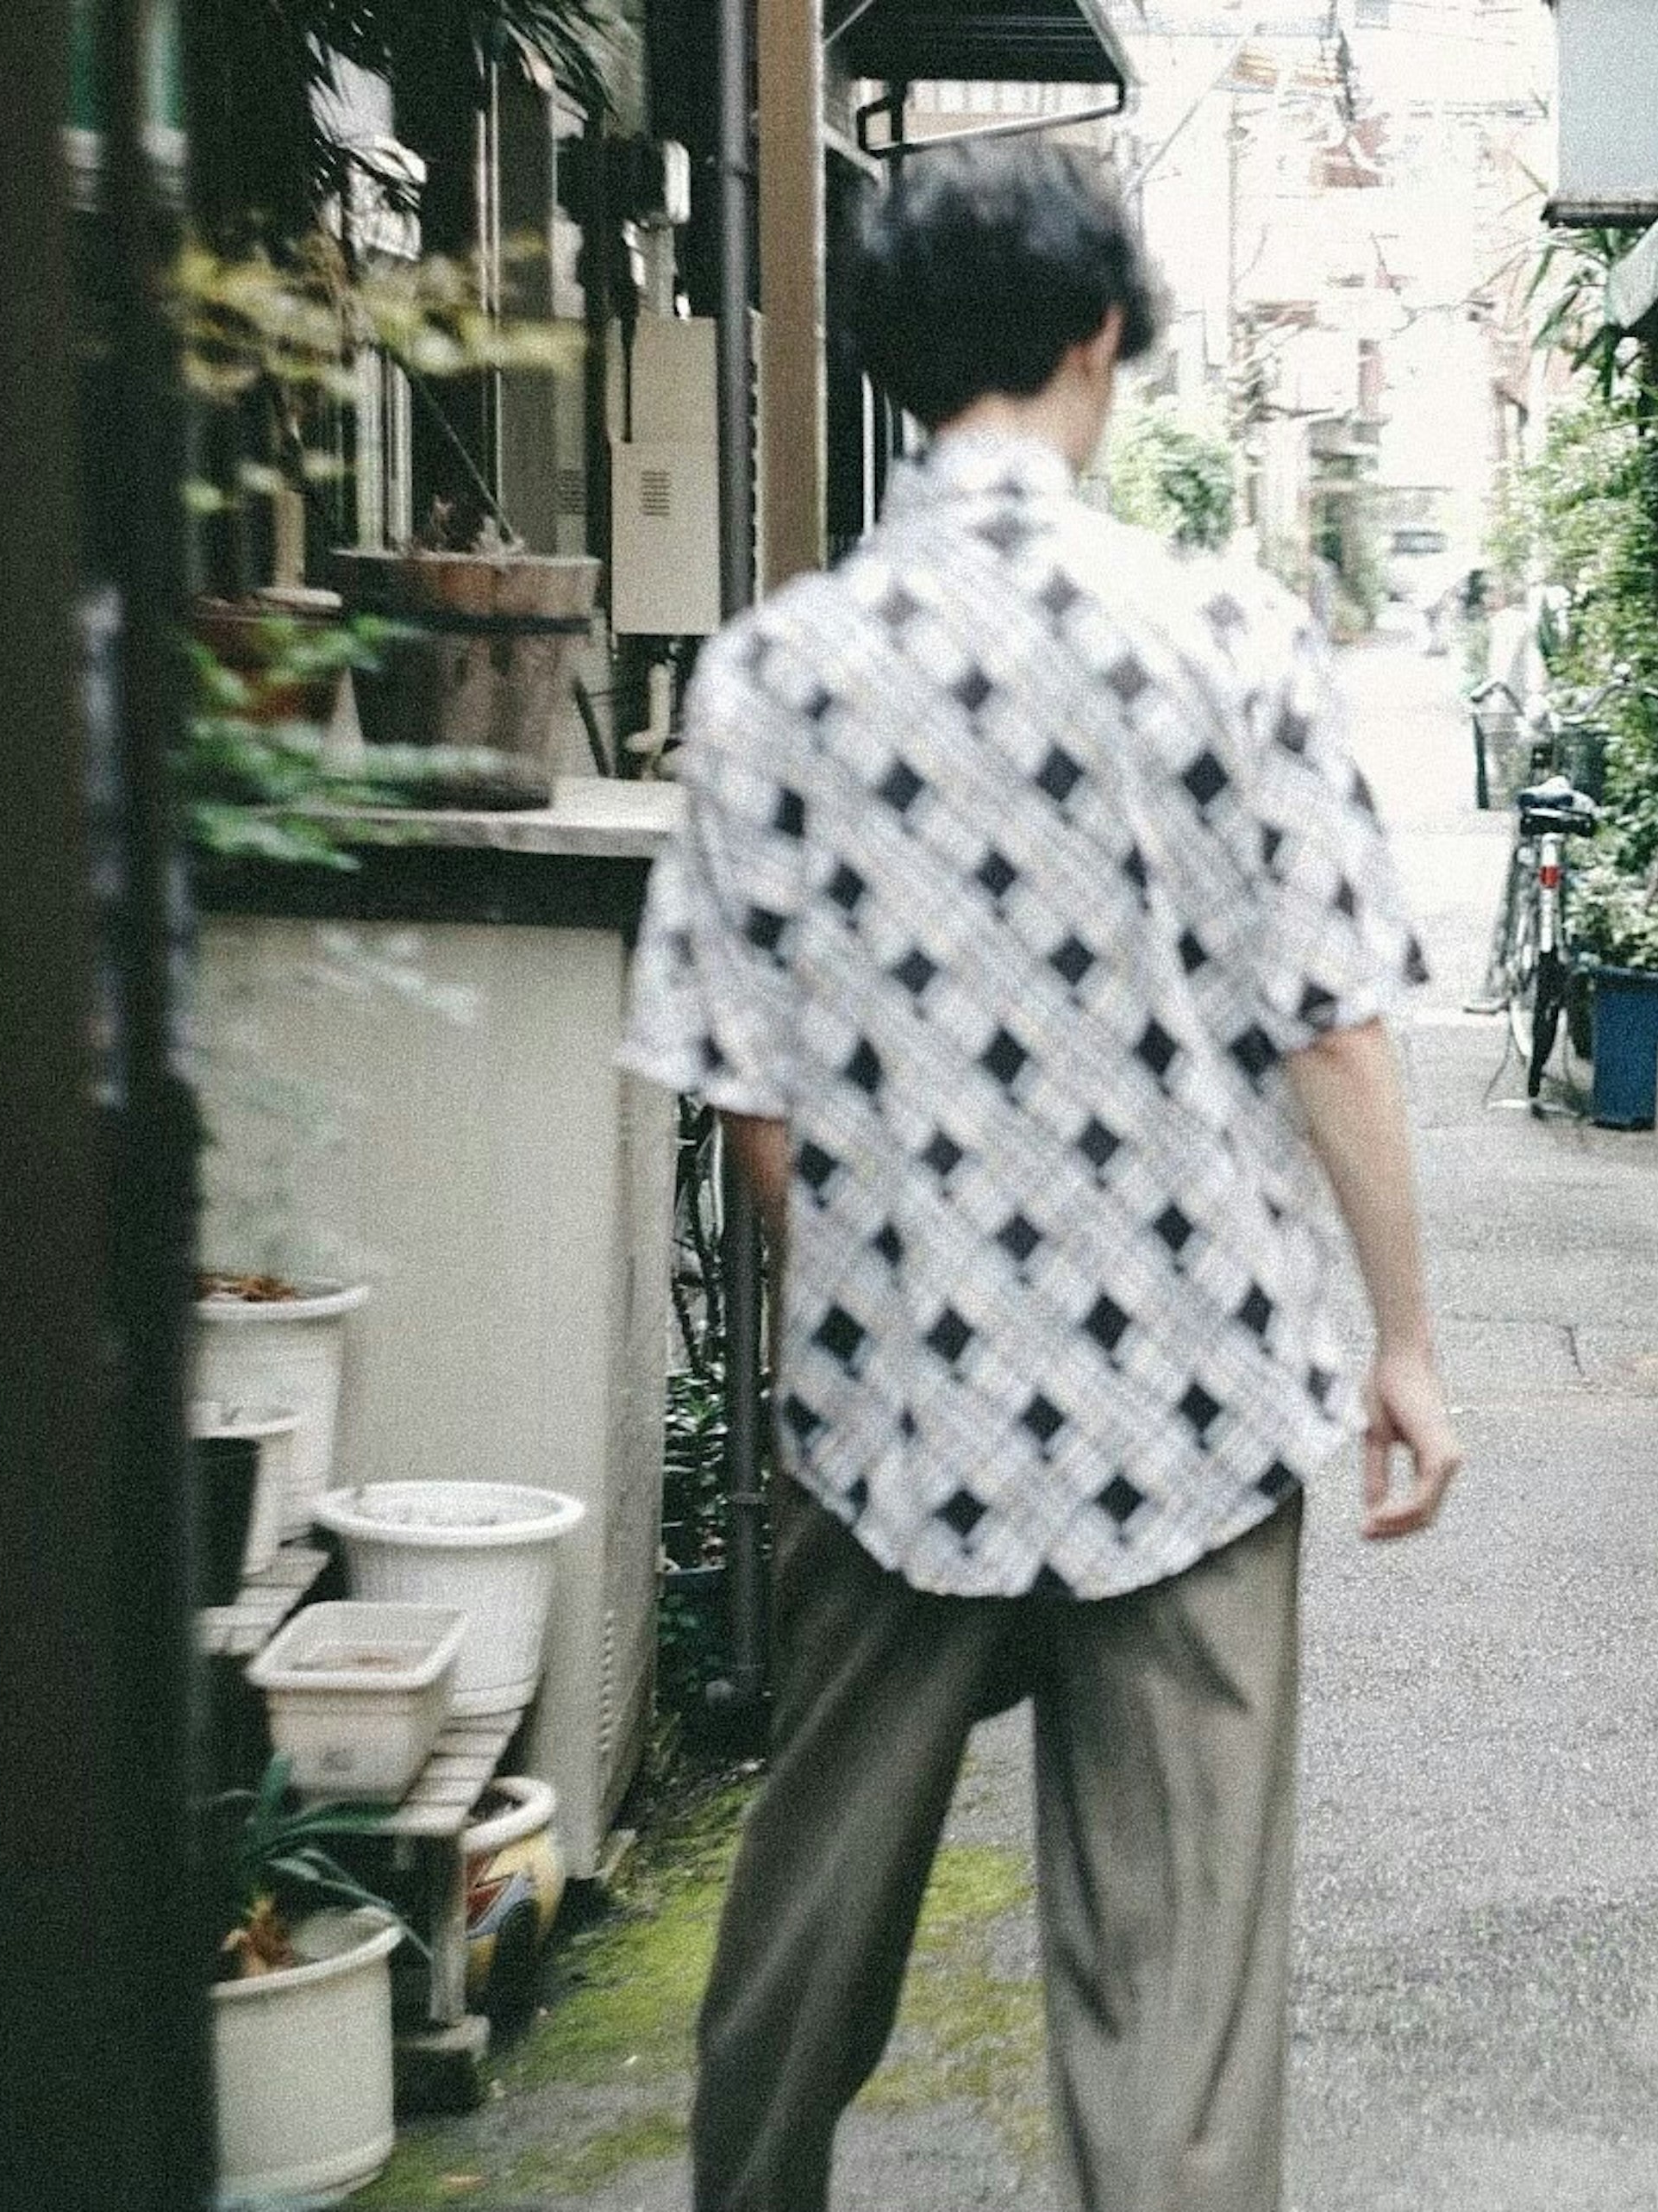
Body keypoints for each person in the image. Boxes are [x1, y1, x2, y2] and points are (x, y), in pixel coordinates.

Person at [617, 137, 1461, 2212]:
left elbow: (756, 1096)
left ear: (897, 361)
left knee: (805, 1928)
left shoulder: (772, 677)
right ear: (1102, 334)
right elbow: (1336, 1022)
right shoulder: (1232, 639)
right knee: (1175, 2002)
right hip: (1196, 1382)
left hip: (905, 1399)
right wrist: (1407, 1340)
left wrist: (907, 1291)